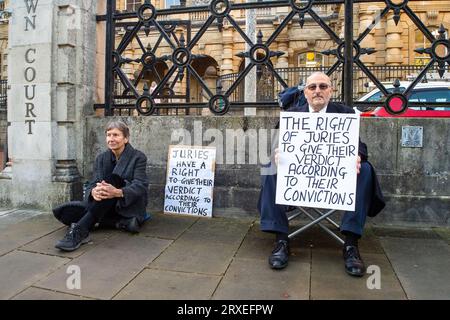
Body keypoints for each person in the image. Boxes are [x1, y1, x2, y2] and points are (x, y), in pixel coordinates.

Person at [258, 72, 385, 277]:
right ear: (306, 92)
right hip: (299, 176)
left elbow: (360, 146)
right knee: (269, 165)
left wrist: (358, 156)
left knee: (365, 169)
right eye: (312, 87)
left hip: (334, 177)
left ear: (330, 91)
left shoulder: (344, 114)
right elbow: (276, 146)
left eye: (323, 86)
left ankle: (351, 245)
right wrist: (278, 153)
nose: (318, 91)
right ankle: (281, 239)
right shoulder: (292, 115)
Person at [54, 120, 149, 252]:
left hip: (127, 205)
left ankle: (80, 231)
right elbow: (93, 182)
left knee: (113, 178)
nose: (111, 139)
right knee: (64, 213)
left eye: (116, 135)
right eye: (109, 135)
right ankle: (121, 223)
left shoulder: (138, 157)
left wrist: (117, 192)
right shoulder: (101, 158)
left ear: (126, 138)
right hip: (104, 204)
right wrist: (94, 192)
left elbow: (141, 185)